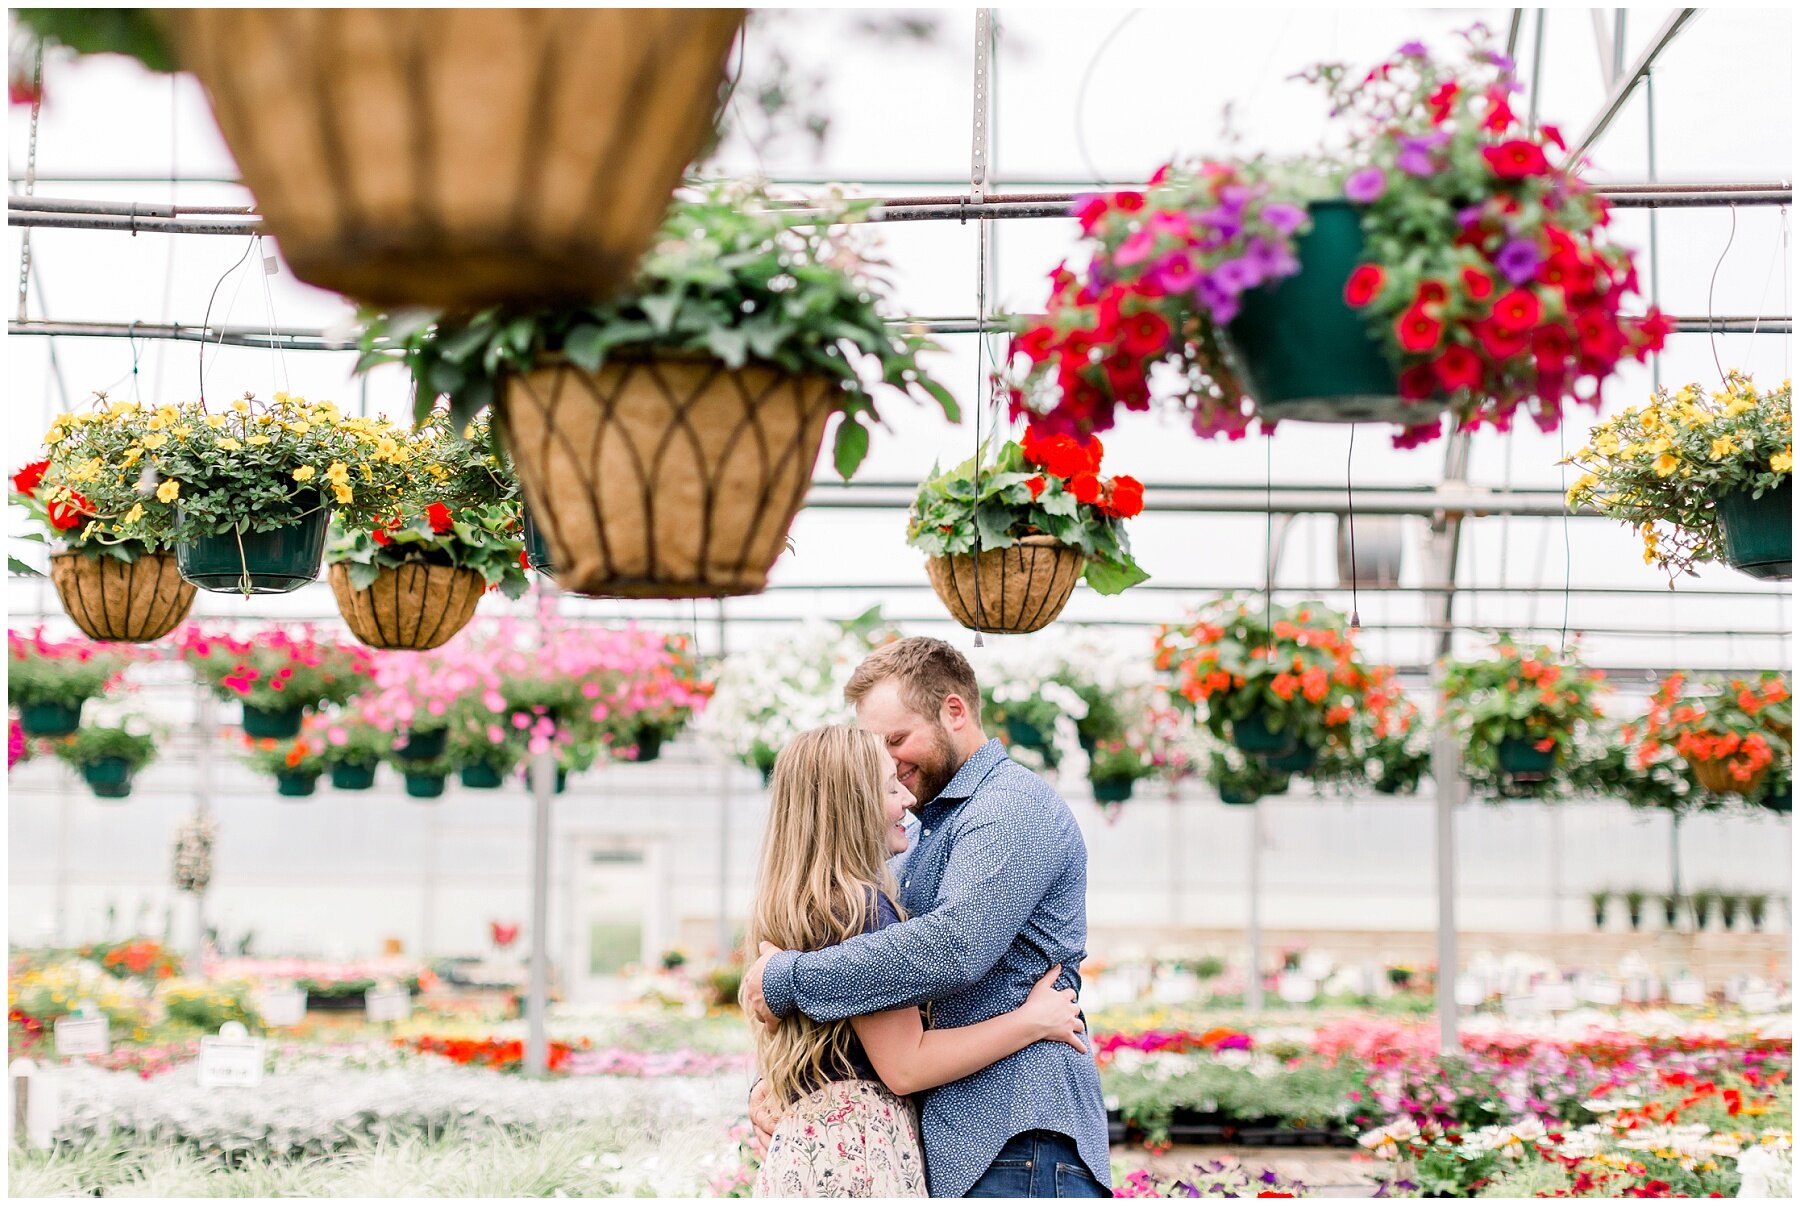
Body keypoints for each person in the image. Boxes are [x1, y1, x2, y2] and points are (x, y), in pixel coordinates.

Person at [744, 637, 1113, 1198]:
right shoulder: (914, 831)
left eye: (897, 739)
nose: (888, 762)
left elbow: (953, 949)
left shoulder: (1012, 807)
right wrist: (777, 1085)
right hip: (949, 1141)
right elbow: (857, 965)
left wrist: (789, 980)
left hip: (1014, 1134)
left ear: (954, 711)